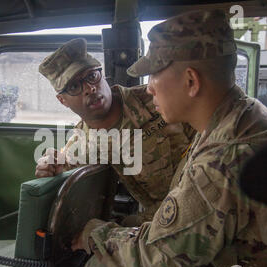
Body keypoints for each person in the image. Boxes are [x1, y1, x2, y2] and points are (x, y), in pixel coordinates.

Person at [70, 9, 267, 267]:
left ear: (191, 81)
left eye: (154, 74)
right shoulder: (240, 115)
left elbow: (160, 261)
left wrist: (94, 234)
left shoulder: (223, 157)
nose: (149, 87)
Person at [37, 38, 195, 222]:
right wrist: (48, 169)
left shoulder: (157, 101)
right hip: (160, 219)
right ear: (62, 100)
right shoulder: (81, 143)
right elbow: (59, 167)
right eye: (74, 86)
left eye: (91, 76)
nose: (89, 88)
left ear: (101, 74)